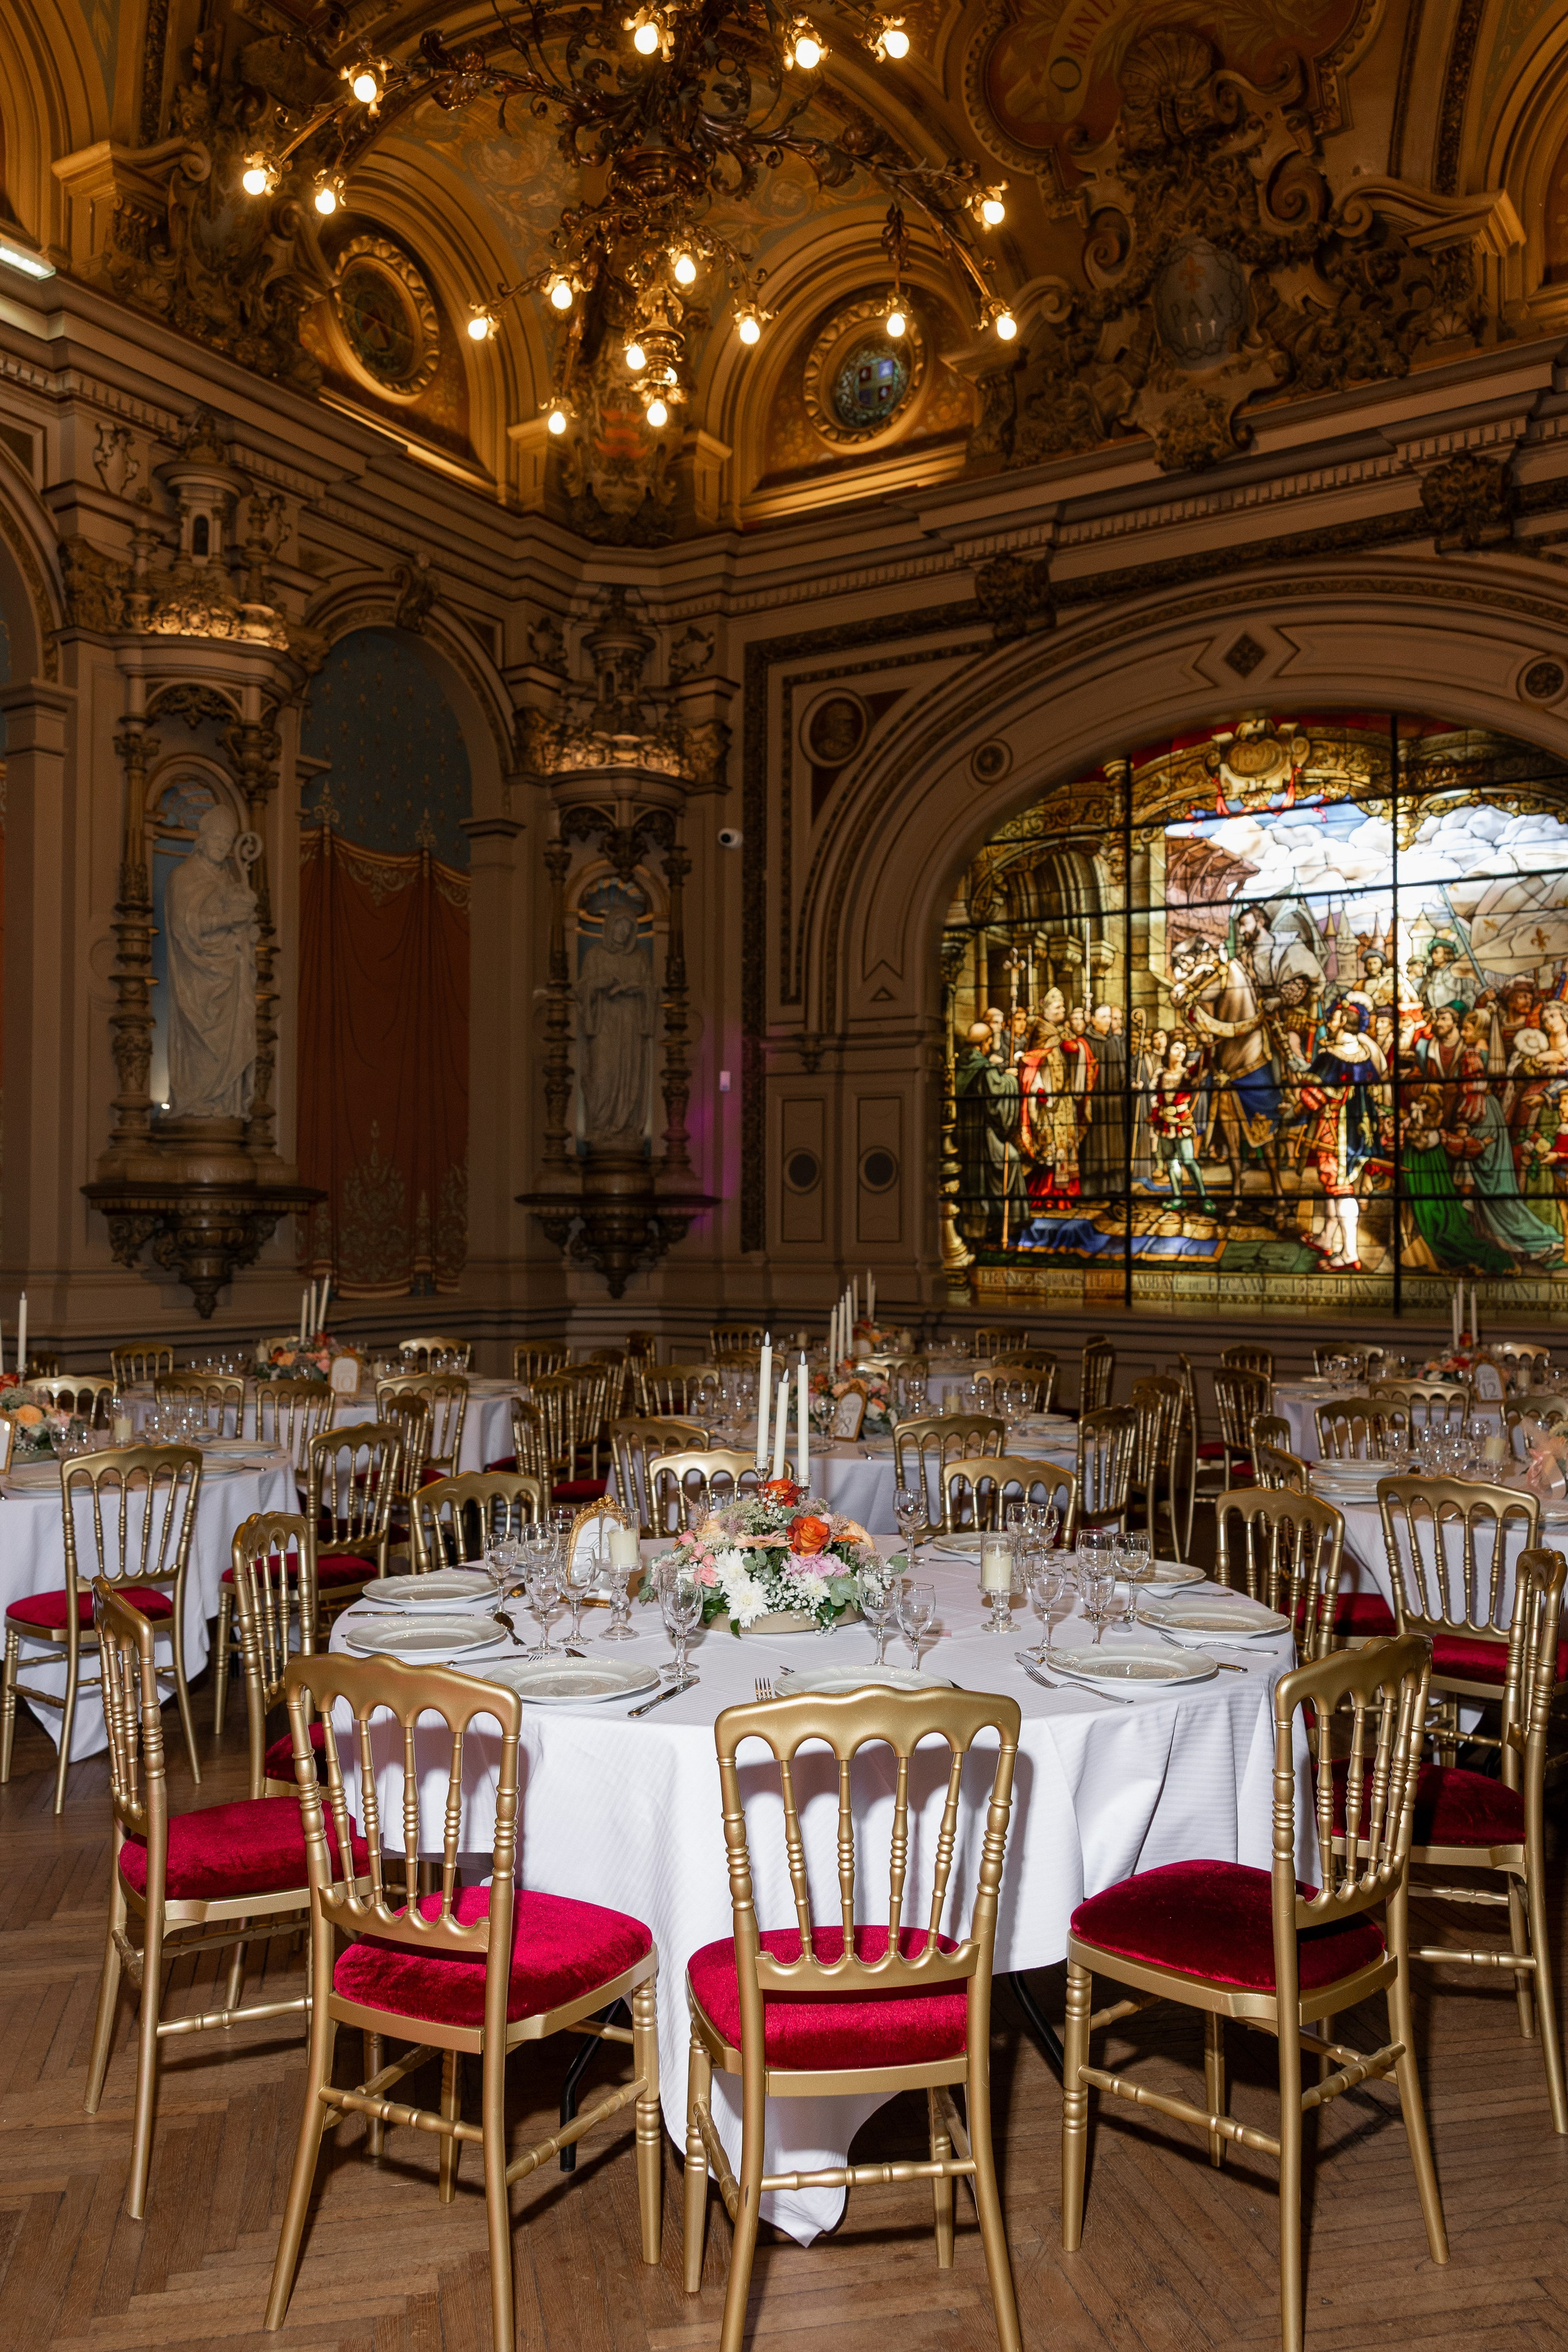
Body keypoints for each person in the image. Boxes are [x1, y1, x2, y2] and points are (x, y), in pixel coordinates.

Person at [1443, 1012, 1562, 1266]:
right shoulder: (1488, 1053)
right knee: (1496, 1184)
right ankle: (1532, 1240)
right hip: (1492, 1113)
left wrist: (1463, 1123)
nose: (1463, 1034)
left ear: (1482, 1030)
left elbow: (1471, 1091)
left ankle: (1534, 1240)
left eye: (1467, 1029)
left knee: (1490, 1185)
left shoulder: (1472, 1055)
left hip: (1479, 1115)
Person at [1296, 999, 1386, 1271]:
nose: (1329, 1023)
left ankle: (1349, 1253)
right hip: (1359, 1133)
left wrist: (1288, 1116)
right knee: (1334, 1188)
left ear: (1345, 1023)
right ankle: (1326, 1238)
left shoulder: (1331, 1057)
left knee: (1341, 1191)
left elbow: (1312, 1097)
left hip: (1335, 1133)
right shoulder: (1363, 1055)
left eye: (1334, 1019)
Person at [1148, 1038, 1213, 1215]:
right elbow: (1154, 1097)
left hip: (1181, 1122)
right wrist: (1155, 1116)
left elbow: (1204, 1063)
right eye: (1176, 1048)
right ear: (1169, 1051)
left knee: (1189, 1161)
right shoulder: (1160, 1075)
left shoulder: (1187, 1074)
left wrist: (1207, 1047)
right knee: (1171, 1161)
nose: (1180, 1052)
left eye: (1183, 1049)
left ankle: (1203, 1197)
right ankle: (1178, 1197)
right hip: (1164, 1123)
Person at [1079, 1003, 1127, 1197]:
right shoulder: (1085, 1042)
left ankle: (1114, 1187)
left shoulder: (1114, 1041)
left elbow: (1123, 1071)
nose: (1108, 1021)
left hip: (1113, 1103)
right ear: (1093, 1020)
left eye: (1110, 1017)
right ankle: (1093, 1189)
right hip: (1095, 1103)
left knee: (1114, 1146)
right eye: (1104, 1017)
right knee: (1095, 1146)